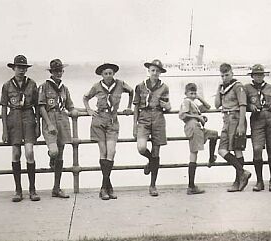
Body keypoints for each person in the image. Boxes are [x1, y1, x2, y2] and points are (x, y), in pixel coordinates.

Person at [83, 63, 133, 200]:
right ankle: (107, 188)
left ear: (114, 74)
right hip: (99, 120)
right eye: (106, 74)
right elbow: (85, 97)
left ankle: (104, 187)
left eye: (110, 73)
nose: (108, 76)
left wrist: (129, 107)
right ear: (102, 75)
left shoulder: (120, 84)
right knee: (103, 152)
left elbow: (132, 91)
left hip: (112, 121)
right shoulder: (96, 86)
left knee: (111, 152)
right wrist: (88, 109)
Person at [0, 55, 41, 202]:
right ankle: (18, 190)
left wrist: (38, 126)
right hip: (14, 119)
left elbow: (37, 106)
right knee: (16, 153)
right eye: (19, 67)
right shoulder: (7, 85)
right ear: (13, 68)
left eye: (24, 68)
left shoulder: (32, 84)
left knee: (29, 152)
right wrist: (4, 130)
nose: (21, 70)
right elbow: (4, 108)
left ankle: (32, 189)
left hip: (28, 117)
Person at [39, 59, 77, 199]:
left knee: (61, 153)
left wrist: (77, 111)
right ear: (51, 72)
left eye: (60, 71)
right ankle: (51, 157)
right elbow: (41, 106)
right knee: (54, 151)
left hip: (62, 120)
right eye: (55, 71)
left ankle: (56, 188)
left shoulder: (64, 88)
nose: (58, 73)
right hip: (50, 119)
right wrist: (48, 123)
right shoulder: (44, 87)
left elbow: (69, 105)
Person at [133, 59, 171, 197]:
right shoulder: (140, 86)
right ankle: (150, 161)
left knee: (156, 151)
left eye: (157, 71)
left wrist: (167, 106)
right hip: (143, 117)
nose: (155, 73)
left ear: (160, 72)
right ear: (148, 71)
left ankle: (153, 185)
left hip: (158, 117)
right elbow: (136, 106)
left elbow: (167, 105)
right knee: (141, 147)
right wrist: (134, 125)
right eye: (152, 70)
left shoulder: (164, 87)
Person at [215, 63, 251, 192]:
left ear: (232, 73)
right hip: (226, 119)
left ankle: (237, 182)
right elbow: (217, 104)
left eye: (227, 75)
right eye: (222, 75)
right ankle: (243, 172)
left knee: (237, 149)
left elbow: (242, 105)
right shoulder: (223, 88)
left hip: (236, 118)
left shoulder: (238, 86)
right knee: (222, 150)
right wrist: (218, 89)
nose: (225, 78)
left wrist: (241, 125)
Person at [245, 64, 271, 192]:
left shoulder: (270, 87)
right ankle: (259, 181)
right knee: (257, 149)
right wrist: (250, 106)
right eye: (256, 75)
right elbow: (243, 103)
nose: (259, 77)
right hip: (257, 120)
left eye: (261, 74)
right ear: (252, 76)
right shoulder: (247, 88)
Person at [179, 83, 218, 194]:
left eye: (194, 93)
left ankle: (211, 158)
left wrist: (199, 98)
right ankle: (191, 186)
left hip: (198, 128)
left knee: (214, 134)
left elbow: (207, 107)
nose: (193, 95)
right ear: (186, 93)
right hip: (193, 128)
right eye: (191, 93)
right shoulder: (186, 101)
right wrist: (197, 117)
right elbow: (183, 115)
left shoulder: (193, 103)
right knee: (194, 154)